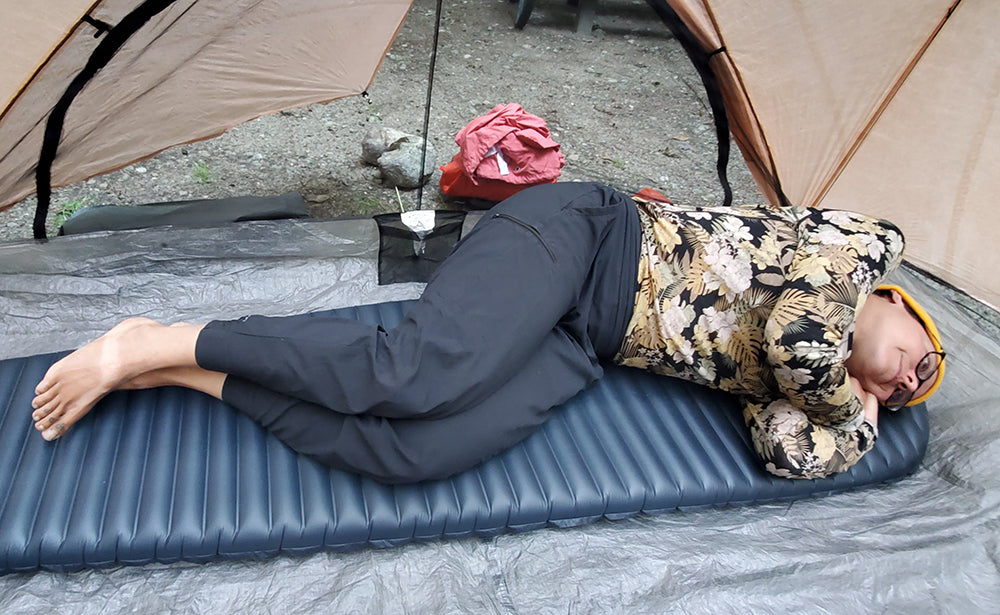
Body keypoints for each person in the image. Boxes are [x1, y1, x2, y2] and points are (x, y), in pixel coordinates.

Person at [29, 182, 945, 483]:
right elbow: (798, 339)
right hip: (585, 237)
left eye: (915, 393)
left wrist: (856, 417)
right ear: (902, 303)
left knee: (420, 455)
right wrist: (848, 390)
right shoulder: (862, 249)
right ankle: (161, 337)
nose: (911, 381)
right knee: (417, 372)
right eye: (922, 360)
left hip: (591, 340)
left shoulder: (819, 395)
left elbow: (785, 451)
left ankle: (178, 370)